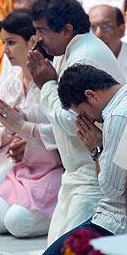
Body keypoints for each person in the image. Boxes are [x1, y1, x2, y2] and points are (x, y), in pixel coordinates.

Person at [27, 0, 126, 245]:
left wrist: (46, 85)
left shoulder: (83, 55)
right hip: (78, 174)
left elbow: (74, 122)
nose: (38, 38)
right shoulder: (72, 49)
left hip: (95, 179)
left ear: (67, 30)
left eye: (42, 31)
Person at [0, 10, 64, 238]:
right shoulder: (10, 80)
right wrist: (11, 137)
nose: (5, 50)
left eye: (11, 42)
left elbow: (65, 131)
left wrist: (26, 133)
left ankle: (66, 213)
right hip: (23, 169)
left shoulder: (52, 79)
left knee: (17, 223)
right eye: (4, 43)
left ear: (33, 40)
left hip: (54, 169)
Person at [42, 64, 127, 254]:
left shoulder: (117, 116)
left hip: (116, 222)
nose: (86, 120)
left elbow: (112, 190)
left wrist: (96, 148)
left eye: (82, 113)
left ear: (91, 95)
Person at [89, 5, 127, 73]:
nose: (98, 34)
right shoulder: (82, 59)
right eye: (92, 27)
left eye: (105, 26)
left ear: (121, 30)